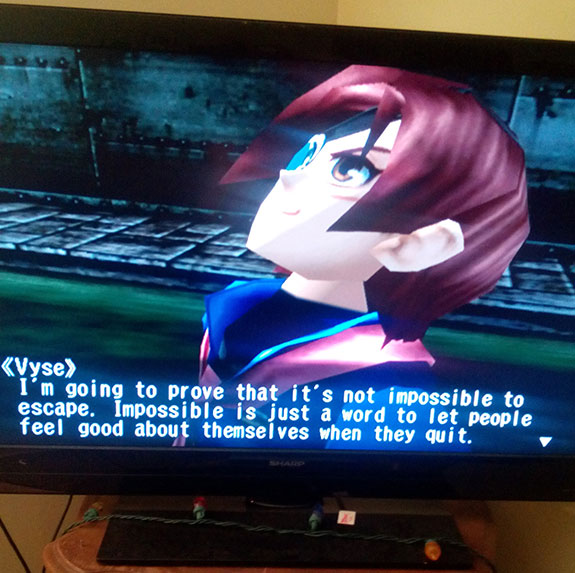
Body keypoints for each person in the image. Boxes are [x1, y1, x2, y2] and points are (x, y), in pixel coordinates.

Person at [199, 65, 529, 403]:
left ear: (425, 244)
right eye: (307, 156)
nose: (288, 176)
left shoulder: (392, 388)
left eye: (349, 170)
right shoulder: (233, 308)